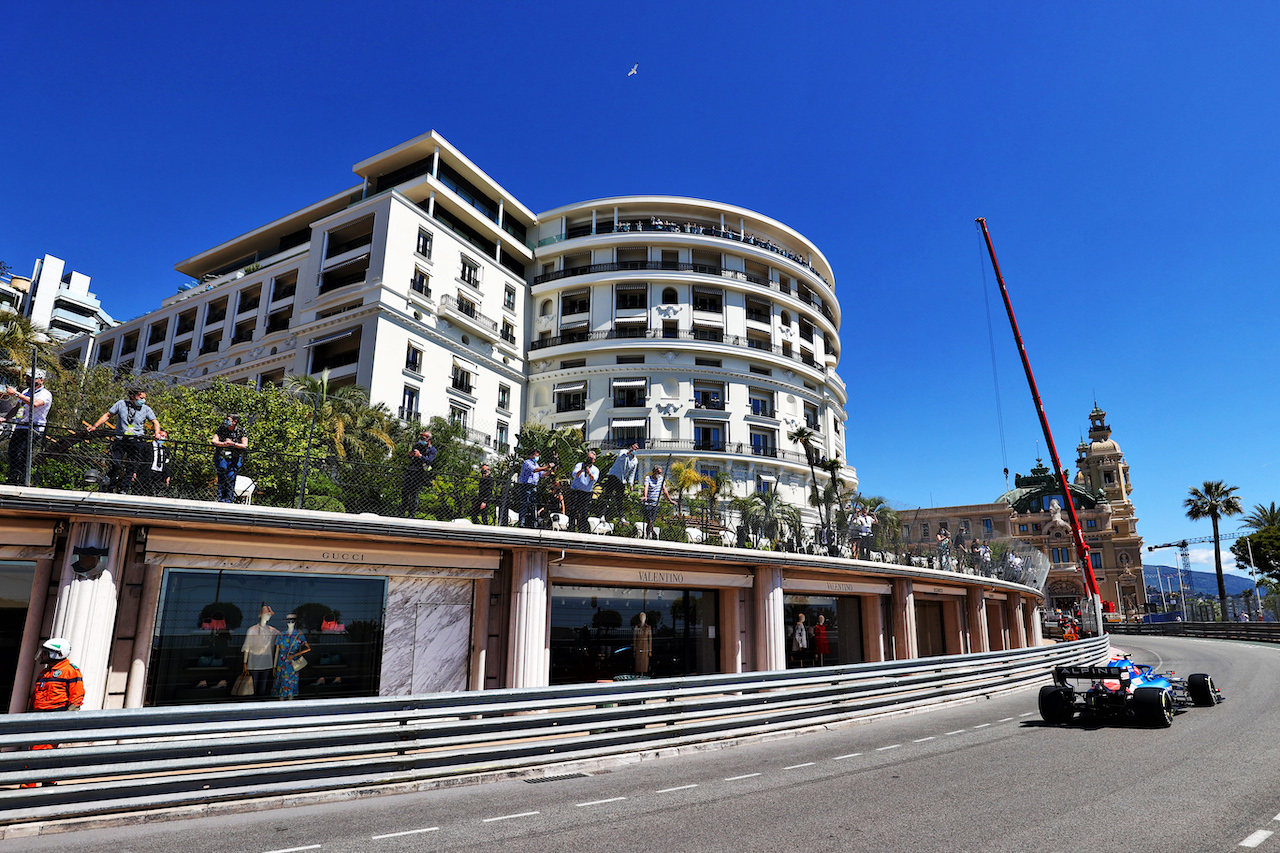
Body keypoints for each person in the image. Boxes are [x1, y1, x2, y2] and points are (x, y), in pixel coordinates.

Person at [22, 637, 84, 786]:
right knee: (42, 753)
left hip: (53, 719)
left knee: (37, 753)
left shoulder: (70, 671)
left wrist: (66, 721)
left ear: (57, 654)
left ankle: (27, 785)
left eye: (46, 653)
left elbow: (76, 698)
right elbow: (35, 697)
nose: (42, 655)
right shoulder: (44, 673)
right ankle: (49, 782)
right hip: (37, 718)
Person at [89, 388, 161, 494]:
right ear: (133, 396)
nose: (143, 400)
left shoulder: (146, 409)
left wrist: (157, 433)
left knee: (132, 465)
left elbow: (155, 422)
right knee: (115, 464)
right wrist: (95, 426)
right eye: (141, 398)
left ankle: (124, 489)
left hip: (136, 440)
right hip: (121, 439)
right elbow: (108, 415)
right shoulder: (121, 404)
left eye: (144, 398)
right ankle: (110, 486)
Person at [3, 368, 51, 485]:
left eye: (32, 378)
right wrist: (5, 418)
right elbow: (17, 407)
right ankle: (13, 476)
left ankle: (23, 479)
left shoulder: (45, 394)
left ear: (41, 380)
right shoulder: (26, 391)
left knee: (24, 453)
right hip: (20, 426)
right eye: (28, 378)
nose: (29, 380)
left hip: (34, 428)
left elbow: (35, 403)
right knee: (12, 451)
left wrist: (16, 393)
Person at [210, 413, 248, 503]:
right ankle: (220, 498)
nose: (226, 421)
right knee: (221, 476)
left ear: (235, 422)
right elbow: (214, 440)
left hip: (234, 458)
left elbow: (244, 445)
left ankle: (229, 499)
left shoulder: (241, 431)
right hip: (222, 456)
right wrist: (223, 444)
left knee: (231, 477)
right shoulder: (221, 429)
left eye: (229, 420)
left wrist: (233, 444)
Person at [273, 613, 311, 701]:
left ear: (295, 622)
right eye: (288, 621)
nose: (290, 623)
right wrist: (274, 666)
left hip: (292, 663)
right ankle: (280, 704)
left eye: (292, 621)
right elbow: (277, 652)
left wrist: (294, 655)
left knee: (291, 685)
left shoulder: (299, 635)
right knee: (281, 684)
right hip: (281, 662)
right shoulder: (281, 635)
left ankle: (290, 704)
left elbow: (308, 648)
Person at [399, 430, 437, 517]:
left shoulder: (432, 450)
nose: (421, 440)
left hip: (420, 473)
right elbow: (410, 456)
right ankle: (401, 513)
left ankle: (411, 514)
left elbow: (430, 461)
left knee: (414, 494)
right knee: (405, 493)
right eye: (421, 438)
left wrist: (420, 456)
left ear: (429, 439)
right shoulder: (417, 445)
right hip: (411, 470)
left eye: (423, 438)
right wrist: (411, 455)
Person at [600, 443, 640, 522]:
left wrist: (631, 484)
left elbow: (632, 473)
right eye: (634, 447)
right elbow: (622, 457)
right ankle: (602, 515)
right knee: (607, 496)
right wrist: (629, 452)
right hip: (613, 476)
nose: (634, 449)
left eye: (636, 448)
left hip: (622, 480)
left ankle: (621, 517)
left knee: (619, 499)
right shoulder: (623, 451)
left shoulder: (635, 461)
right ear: (630, 447)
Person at [569, 450, 599, 533]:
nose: (589, 459)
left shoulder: (596, 469)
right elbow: (574, 475)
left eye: (591, 458)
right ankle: (571, 528)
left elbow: (594, 479)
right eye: (588, 458)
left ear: (594, 460)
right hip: (576, 490)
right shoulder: (579, 465)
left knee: (584, 511)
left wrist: (588, 472)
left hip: (586, 493)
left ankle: (582, 529)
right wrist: (582, 469)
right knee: (573, 509)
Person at [136, 428, 173, 496]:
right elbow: (140, 458)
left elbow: (166, 463)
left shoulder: (165, 449)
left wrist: (168, 475)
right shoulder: (147, 446)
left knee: (155, 491)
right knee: (140, 489)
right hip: (147, 471)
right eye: (161, 435)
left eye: (164, 436)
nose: (163, 438)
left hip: (159, 473)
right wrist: (135, 471)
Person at [640, 465, 673, 539]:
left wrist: (670, 500)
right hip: (648, 502)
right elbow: (646, 487)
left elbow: (664, 490)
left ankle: (649, 533)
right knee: (649, 520)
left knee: (652, 520)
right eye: (658, 472)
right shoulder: (648, 478)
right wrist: (645, 496)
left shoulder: (661, 479)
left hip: (655, 503)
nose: (659, 474)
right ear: (654, 472)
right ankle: (651, 532)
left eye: (660, 473)